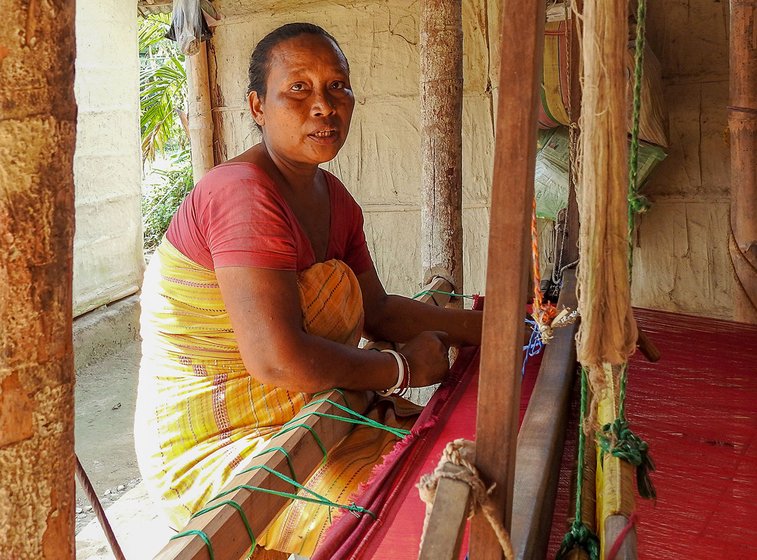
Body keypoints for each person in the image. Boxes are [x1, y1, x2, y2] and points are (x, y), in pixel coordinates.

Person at [134, 22, 482, 556]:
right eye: (298, 88)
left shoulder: (334, 198)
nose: (323, 105)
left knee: (456, 478)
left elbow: (380, 312)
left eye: (337, 87)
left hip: (302, 415)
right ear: (257, 106)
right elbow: (277, 361)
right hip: (222, 443)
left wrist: (504, 327)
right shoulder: (241, 194)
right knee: (412, 521)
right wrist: (402, 369)